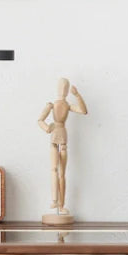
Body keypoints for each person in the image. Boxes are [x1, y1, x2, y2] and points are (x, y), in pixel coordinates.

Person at [37, 78, 88, 217]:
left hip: (63, 137)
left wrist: (77, 95)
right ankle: (54, 200)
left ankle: (62, 204)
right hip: (54, 136)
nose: (63, 89)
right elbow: (40, 120)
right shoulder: (51, 105)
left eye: (65, 87)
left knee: (62, 174)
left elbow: (83, 111)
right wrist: (47, 128)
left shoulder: (68, 105)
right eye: (61, 86)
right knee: (54, 169)